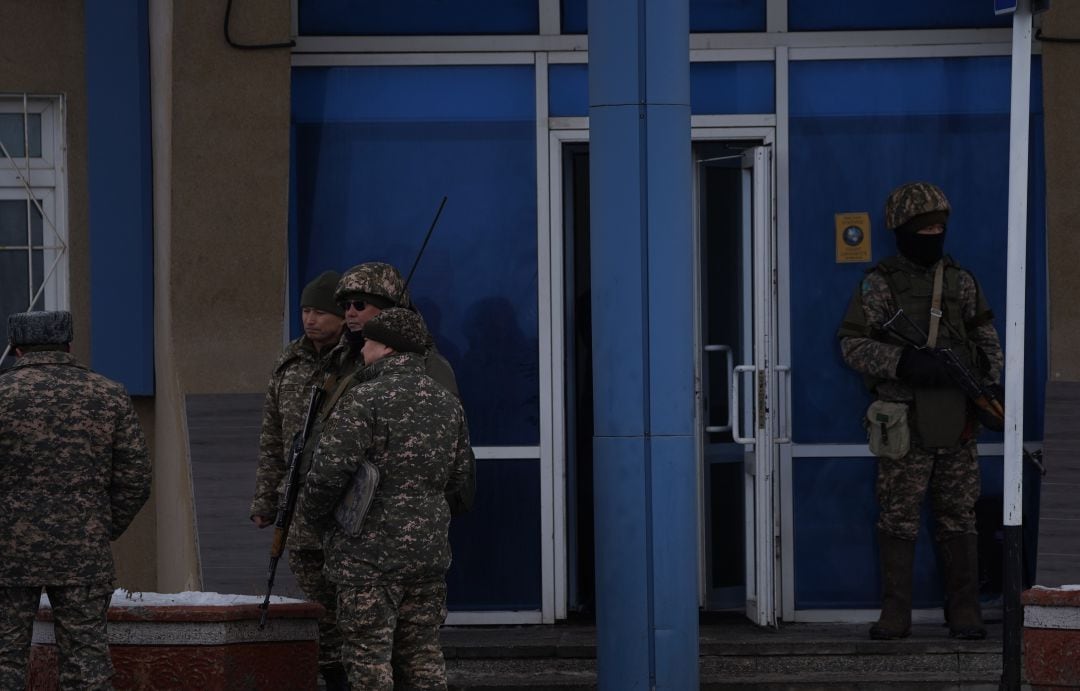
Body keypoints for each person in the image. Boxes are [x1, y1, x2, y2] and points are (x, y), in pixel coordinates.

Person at [837, 181, 1004, 641]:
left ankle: (965, 611)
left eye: (938, 228)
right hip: (903, 422)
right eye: (923, 228)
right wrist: (903, 361)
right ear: (902, 231)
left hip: (957, 419)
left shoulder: (961, 281)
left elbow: (988, 340)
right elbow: (851, 344)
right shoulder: (880, 283)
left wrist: (988, 381)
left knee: (959, 517)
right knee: (897, 518)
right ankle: (896, 615)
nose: (933, 235)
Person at [298, 308, 471, 690]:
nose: (361, 350)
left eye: (369, 341)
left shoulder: (364, 399)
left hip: (367, 557)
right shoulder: (447, 403)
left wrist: (313, 517)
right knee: (424, 655)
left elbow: (328, 473)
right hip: (426, 553)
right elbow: (460, 478)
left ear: (388, 348)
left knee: (368, 659)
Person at [0, 311, 152, 689]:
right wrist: (101, 526)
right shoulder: (108, 394)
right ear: (68, 345)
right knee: (88, 667)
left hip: (8, 553)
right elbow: (136, 477)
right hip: (84, 554)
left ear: (17, 349)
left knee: (4, 663)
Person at [248, 270, 349, 689]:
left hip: (347, 507)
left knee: (353, 604)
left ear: (343, 316)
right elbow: (273, 438)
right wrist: (264, 501)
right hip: (301, 506)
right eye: (306, 310)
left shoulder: (359, 360)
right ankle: (332, 675)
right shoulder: (289, 361)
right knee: (317, 602)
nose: (310, 319)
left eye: (321, 312)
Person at [329, 261, 475, 515]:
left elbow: (445, 447)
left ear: (389, 310)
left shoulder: (427, 365)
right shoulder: (342, 360)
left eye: (360, 305)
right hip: (349, 512)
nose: (350, 313)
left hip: (402, 516)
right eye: (345, 306)